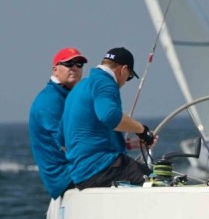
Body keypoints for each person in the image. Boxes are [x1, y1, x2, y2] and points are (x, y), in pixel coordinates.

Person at [61, 47, 156, 189]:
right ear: (123, 70)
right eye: (128, 77)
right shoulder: (105, 82)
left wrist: (130, 144)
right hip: (102, 169)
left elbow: (62, 138)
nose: (125, 82)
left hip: (80, 175)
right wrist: (142, 130)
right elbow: (110, 117)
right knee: (159, 185)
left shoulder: (80, 87)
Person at [28, 47, 88, 199]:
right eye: (69, 64)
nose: (74, 68)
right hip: (66, 178)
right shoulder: (49, 101)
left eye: (79, 64)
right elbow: (65, 144)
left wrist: (126, 144)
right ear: (55, 70)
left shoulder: (69, 95)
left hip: (76, 170)